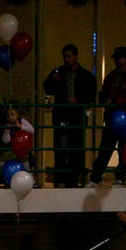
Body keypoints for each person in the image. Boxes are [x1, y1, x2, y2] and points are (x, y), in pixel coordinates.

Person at [89, 46, 126, 186]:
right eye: (117, 58)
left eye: (120, 58)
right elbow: (104, 93)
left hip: (124, 119)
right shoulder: (114, 76)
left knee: (120, 150)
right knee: (106, 149)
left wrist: (113, 102)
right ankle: (98, 177)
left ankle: (117, 177)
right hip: (115, 119)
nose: (118, 61)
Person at [44, 44, 97, 188]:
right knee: (60, 149)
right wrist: (54, 80)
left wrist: (78, 100)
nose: (66, 60)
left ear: (75, 56)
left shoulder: (85, 76)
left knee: (76, 150)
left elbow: (91, 94)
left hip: (77, 117)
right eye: (65, 57)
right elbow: (47, 87)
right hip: (61, 116)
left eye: (69, 56)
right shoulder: (59, 73)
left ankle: (72, 180)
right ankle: (60, 179)